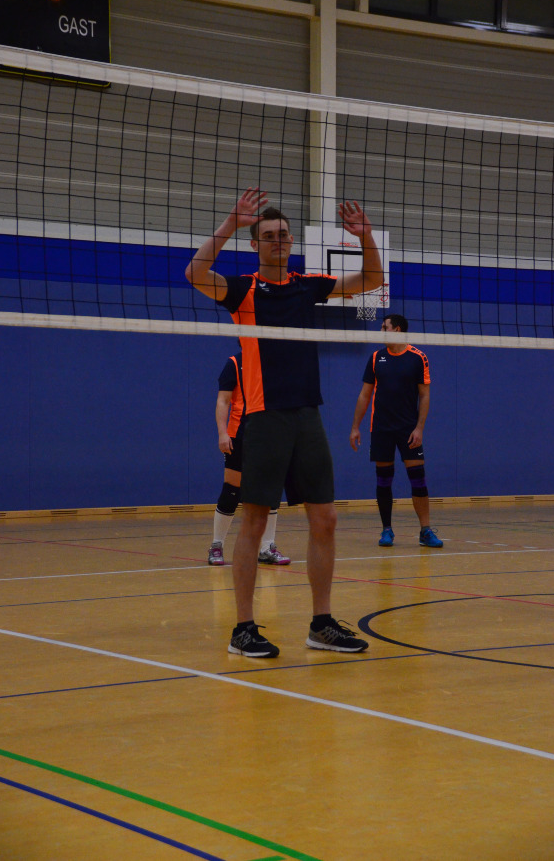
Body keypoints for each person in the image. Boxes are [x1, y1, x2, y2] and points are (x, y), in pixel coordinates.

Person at [186, 186, 384, 657]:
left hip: (306, 415)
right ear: (255, 244)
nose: (279, 241)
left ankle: (321, 625)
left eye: (284, 235)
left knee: (326, 518)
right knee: (254, 521)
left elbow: (371, 279)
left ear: (292, 242)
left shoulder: (307, 286)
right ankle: (243, 629)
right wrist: (230, 224)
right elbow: (195, 274)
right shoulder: (242, 290)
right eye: (270, 235)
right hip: (263, 417)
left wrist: (365, 237)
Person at [349, 313, 443, 548]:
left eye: (385, 327)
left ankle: (425, 531)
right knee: (383, 480)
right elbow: (364, 395)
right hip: (381, 428)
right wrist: (355, 427)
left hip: (408, 429)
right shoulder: (375, 358)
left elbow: (424, 395)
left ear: (397, 329)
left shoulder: (418, 357)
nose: (381, 331)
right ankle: (387, 530)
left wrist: (419, 428)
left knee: (418, 479)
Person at [208, 348, 291, 567]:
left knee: (270, 492)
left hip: (268, 436)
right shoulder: (234, 363)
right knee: (232, 491)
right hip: (240, 436)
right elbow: (223, 400)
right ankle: (217, 545)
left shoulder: (273, 364)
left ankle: (267, 548)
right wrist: (222, 433)